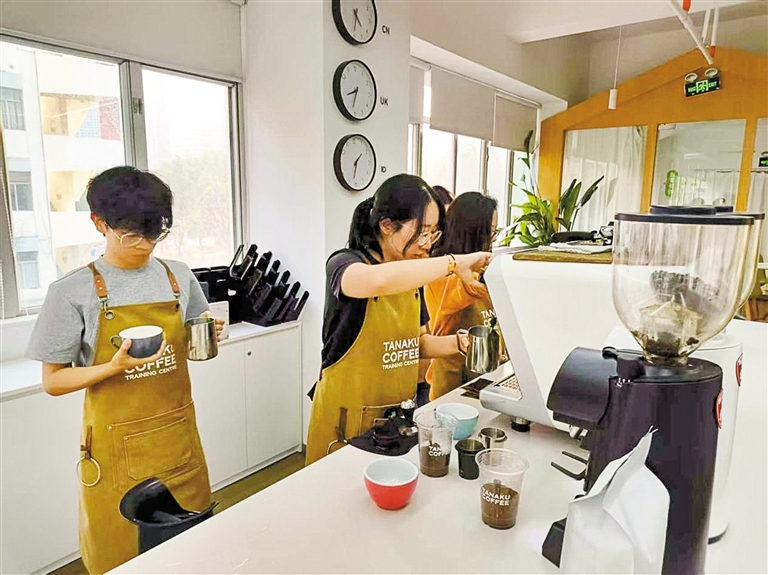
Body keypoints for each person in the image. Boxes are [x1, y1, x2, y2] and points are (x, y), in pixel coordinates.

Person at [26, 166, 223, 575]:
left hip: (178, 440)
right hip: (115, 454)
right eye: (132, 235)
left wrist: (207, 332)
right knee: (123, 561)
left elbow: (192, 345)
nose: (146, 245)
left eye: (155, 233)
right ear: (99, 223)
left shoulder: (178, 277)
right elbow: (53, 380)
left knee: (193, 554)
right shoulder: (71, 292)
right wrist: (111, 368)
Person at [305, 174, 491, 464]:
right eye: (422, 232)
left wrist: (458, 343)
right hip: (345, 425)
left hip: (396, 423)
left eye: (434, 233)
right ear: (387, 226)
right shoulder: (345, 264)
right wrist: (455, 263)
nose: (428, 243)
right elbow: (378, 281)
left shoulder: (412, 275)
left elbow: (416, 344)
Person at [424, 192, 505, 400]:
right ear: (473, 232)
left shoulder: (483, 270)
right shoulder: (441, 274)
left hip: (486, 376)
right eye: (491, 232)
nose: (493, 240)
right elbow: (470, 289)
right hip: (451, 384)